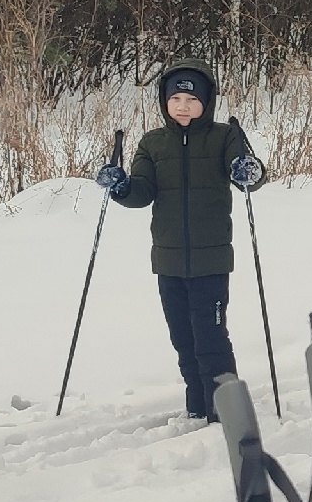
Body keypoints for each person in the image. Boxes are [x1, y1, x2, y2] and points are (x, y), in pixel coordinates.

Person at [95, 62, 266, 423]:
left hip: (211, 261)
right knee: (183, 339)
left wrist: (249, 171)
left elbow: (247, 173)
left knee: (211, 339)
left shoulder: (222, 137)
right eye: (175, 97)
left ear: (207, 102)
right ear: (164, 101)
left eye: (191, 98)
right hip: (168, 263)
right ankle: (197, 405)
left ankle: (225, 408)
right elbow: (142, 192)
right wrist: (121, 187)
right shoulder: (153, 143)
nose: (183, 105)